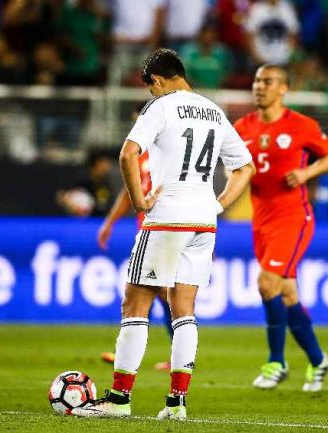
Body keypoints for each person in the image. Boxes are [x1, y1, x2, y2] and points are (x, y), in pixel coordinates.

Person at [73, 48, 255, 419]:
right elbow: (245, 167)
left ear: (156, 79)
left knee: (135, 305)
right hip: (203, 221)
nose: (150, 95)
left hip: (168, 215)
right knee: (183, 308)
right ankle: (176, 403)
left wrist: (140, 203)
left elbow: (128, 154)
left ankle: (119, 400)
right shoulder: (214, 111)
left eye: (149, 88)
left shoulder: (160, 107)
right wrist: (218, 205)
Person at [233, 64, 328, 392]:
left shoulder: (301, 125)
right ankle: (318, 358)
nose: (259, 87)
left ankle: (276, 363)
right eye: (256, 81)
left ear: (283, 89)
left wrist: (307, 174)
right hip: (261, 220)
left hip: (293, 218)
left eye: (267, 82)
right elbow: (235, 167)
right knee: (287, 294)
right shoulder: (242, 127)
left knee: (267, 284)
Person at [96, 102, 174, 372]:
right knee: (154, 292)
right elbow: (130, 193)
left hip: (166, 229)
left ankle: (134, 355)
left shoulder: (168, 153)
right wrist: (110, 223)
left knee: (153, 291)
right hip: (147, 231)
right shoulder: (139, 155)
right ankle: (175, 355)